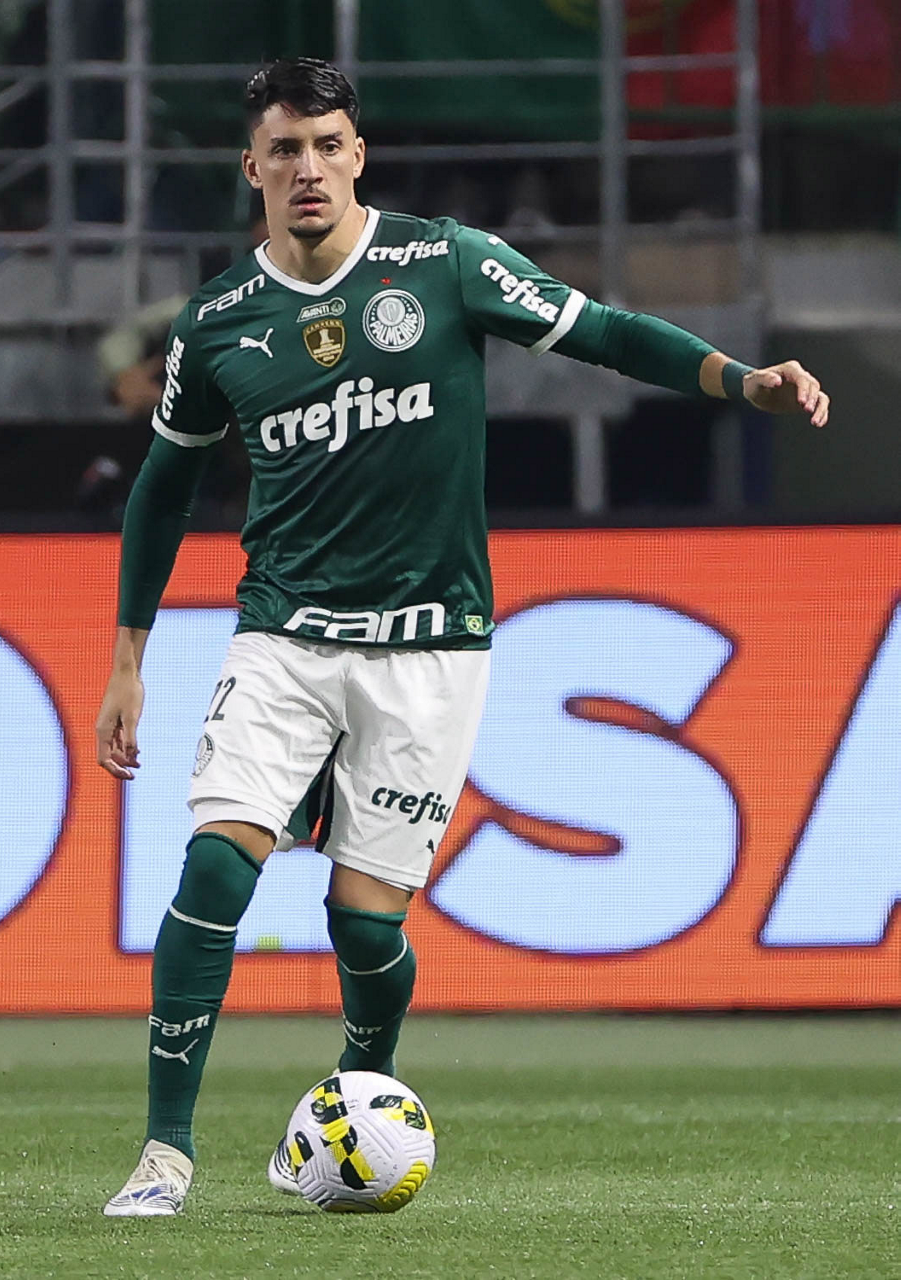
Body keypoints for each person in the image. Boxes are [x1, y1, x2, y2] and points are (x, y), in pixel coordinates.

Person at [96, 57, 829, 1217]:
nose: (307, 167)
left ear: (357, 155)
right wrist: (128, 658)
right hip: (283, 636)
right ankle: (164, 1152)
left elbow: (605, 332)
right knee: (215, 864)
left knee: (362, 920)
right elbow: (161, 490)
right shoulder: (218, 321)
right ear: (252, 168)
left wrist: (740, 382)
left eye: (326, 144)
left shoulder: (443, 262)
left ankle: (361, 1091)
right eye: (284, 149)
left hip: (431, 646)